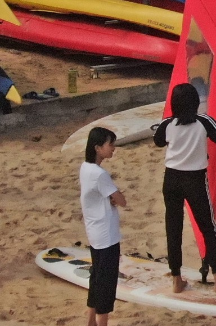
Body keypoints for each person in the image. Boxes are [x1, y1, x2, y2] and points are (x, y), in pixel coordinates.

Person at [153, 83, 216, 294]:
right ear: (196, 102)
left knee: (173, 228)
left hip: (171, 179)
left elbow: (158, 141)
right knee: (208, 227)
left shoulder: (167, 124)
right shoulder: (203, 121)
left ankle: (176, 279)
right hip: (194, 180)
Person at [80, 127, 126, 326]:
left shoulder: (85, 168)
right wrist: (115, 198)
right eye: (110, 144)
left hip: (95, 233)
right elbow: (122, 200)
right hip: (106, 236)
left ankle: (90, 321)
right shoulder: (100, 174)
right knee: (106, 284)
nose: (113, 148)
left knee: (97, 278)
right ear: (98, 148)